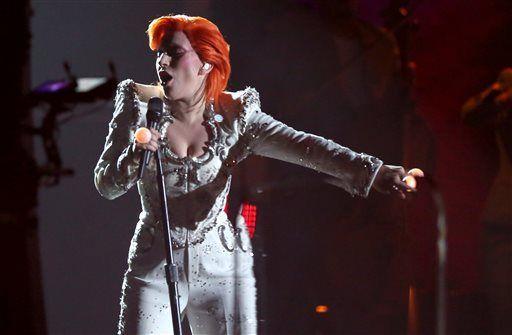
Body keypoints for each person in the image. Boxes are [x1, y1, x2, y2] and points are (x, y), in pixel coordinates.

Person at [94, 14, 416, 335]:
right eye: (159, 54)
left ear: (206, 63)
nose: (162, 62)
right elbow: (106, 183)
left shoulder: (235, 116)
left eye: (174, 53)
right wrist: (137, 155)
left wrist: (373, 172)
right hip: (155, 259)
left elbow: (304, 147)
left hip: (219, 264)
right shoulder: (139, 106)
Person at [461, 68, 512, 335]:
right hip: (505, 222)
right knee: (504, 314)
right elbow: (471, 114)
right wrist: (501, 98)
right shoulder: (507, 81)